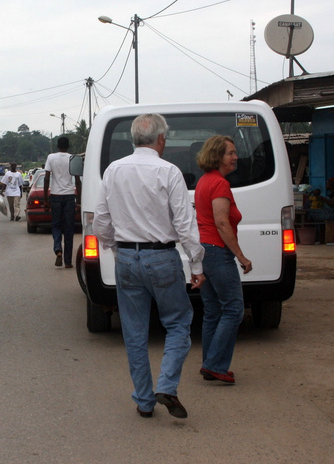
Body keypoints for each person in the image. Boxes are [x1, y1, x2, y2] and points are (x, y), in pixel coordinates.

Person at [89, 112, 203, 420]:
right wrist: (196, 264)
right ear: (161, 139)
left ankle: (143, 400)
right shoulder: (169, 171)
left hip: (126, 258)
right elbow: (184, 223)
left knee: (135, 333)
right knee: (178, 324)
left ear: (133, 139)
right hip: (162, 258)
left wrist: (116, 248)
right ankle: (166, 384)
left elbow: (100, 221)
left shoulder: (114, 170)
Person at [194, 134, 251, 385]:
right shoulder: (219, 184)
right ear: (218, 156)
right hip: (217, 251)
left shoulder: (205, 181)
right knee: (234, 309)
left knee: (213, 310)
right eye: (230, 153)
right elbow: (221, 222)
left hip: (205, 250)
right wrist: (240, 255)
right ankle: (215, 364)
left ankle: (211, 363)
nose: (235, 157)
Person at [43, 135, 78, 268]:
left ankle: (58, 250)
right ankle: (68, 262)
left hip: (56, 195)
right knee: (69, 228)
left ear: (57, 146)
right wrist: (79, 200)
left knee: (56, 225)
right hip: (69, 196)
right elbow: (78, 180)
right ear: (68, 146)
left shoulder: (51, 157)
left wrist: (46, 199)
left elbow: (46, 178)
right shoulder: (73, 158)